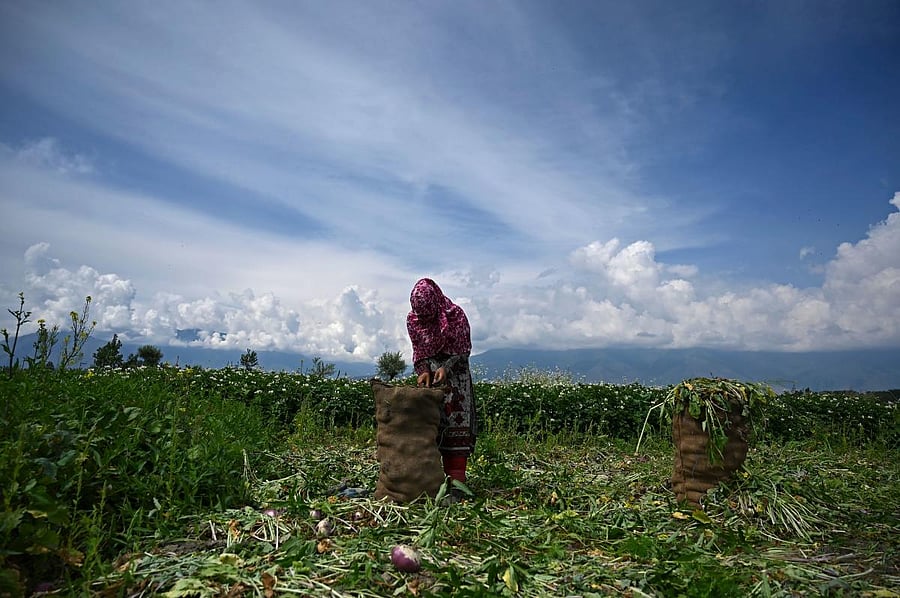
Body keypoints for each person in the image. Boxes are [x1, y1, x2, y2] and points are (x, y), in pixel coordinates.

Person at [406, 278, 477, 485]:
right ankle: (432, 479)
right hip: (431, 382)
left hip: (456, 381)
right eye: (422, 315)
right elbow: (419, 350)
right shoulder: (413, 320)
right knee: (430, 426)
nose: (425, 319)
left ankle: (456, 482)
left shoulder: (455, 316)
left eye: (429, 315)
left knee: (456, 426)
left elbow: (463, 350)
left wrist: (447, 367)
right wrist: (423, 371)